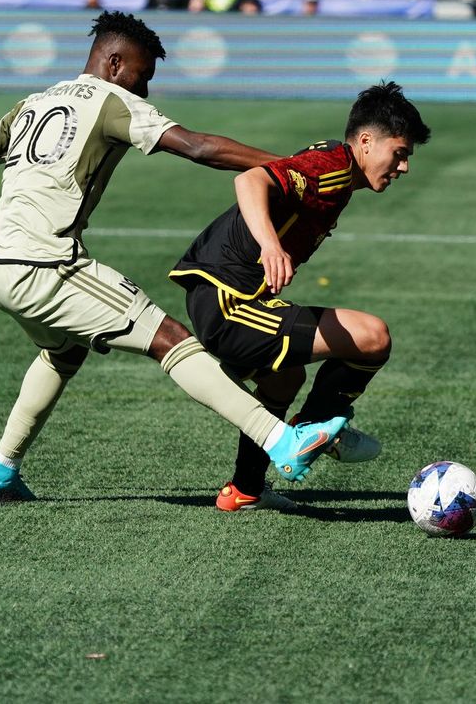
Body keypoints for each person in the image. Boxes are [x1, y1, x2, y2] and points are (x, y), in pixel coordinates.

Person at [0, 11, 348, 503]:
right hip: (45, 265)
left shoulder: (34, 102)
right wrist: (292, 168)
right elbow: (199, 148)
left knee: (63, 352)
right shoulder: (111, 100)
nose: (145, 90)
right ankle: (281, 440)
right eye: (143, 76)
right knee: (170, 338)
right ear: (115, 62)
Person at [169, 81, 431, 512]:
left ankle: (245, 490)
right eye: (399, 153)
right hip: (227, 302)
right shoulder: (332, 166)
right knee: (372, 337)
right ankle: (316, 429)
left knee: (284, 378)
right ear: (366, 141)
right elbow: (250, 180)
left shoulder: (335, 169)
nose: (403, 167)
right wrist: (270, 246)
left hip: (222, 296)